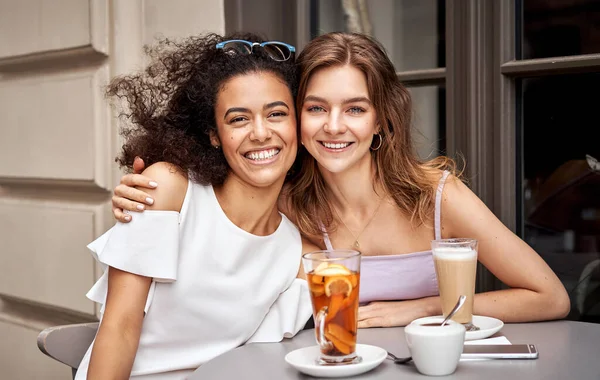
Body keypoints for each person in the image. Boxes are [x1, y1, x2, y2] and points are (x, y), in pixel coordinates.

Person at [111, 32, 571, 329]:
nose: (333, 126)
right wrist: (146, 178)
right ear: (295, 118)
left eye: (354, 108)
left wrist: (425, 308)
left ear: (381, 120)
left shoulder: (437, 196)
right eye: (315, 108)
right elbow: (214, 187)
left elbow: (549, 297)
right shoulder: (286, 203)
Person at [75, 33, 313, 380]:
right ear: (213, 134)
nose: (260, 133)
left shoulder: (297, 255)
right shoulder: (168, 191)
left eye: (276, 113)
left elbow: (258, 362)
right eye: (238, 119)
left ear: (297, 124)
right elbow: (120, 329)